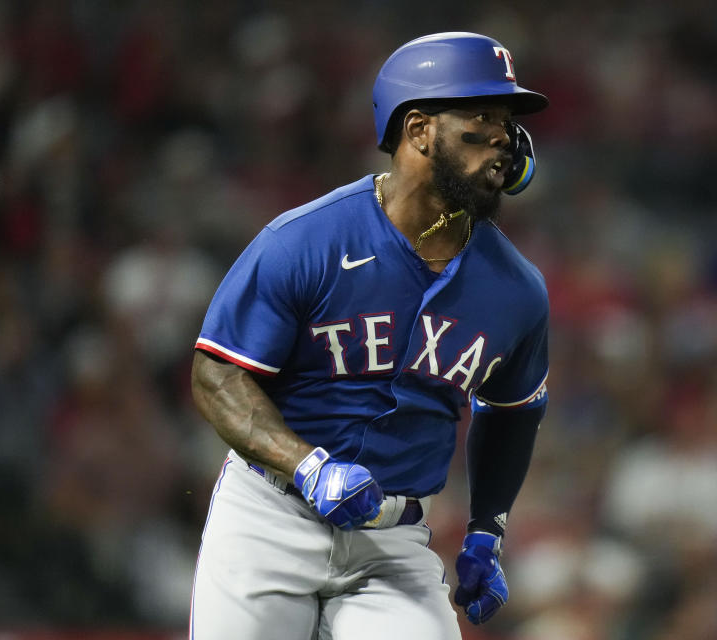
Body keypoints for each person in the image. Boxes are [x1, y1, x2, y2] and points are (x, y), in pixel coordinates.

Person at [189, 31, 550, 639]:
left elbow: (513, 411)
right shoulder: (305, 241)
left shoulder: (516, 289)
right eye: (480, 118)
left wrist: (487, 528)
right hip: (269, 516)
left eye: (507, 122)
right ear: (419, 132)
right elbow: (218, 373)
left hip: (394, 540)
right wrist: (306, 465)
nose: (502, 140)